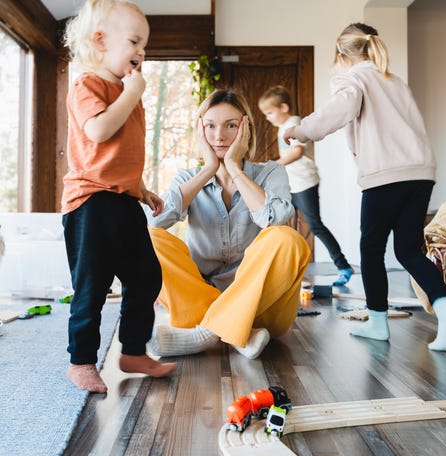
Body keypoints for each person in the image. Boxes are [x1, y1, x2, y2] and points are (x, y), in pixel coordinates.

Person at [284, 22, 446, 351]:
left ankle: (378, 323)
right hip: (420, 173)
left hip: (386, 175)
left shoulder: (354, 78)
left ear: (341, 54)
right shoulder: (394, 82)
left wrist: (301, 130)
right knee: (408, 250)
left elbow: (338, 111)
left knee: (371, 249)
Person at [61, 0, 177, 393]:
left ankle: (132, 351)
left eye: (144, 45)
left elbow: (119, 154)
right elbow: (98, 132)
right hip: (90, 203)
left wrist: (140, 188)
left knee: (146, 276)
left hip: (123, 200)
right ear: (100, 41)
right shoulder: (88, 84)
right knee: (92, 287)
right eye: (134, 42)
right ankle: (81, 361)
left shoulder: (128, 91)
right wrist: (131, 94)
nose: (141, 52)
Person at [145, 89, 310, 359]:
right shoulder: (188, 177)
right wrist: (208, 170)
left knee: (288, 239)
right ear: (200, 130)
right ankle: (239, 333)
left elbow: (275, 220)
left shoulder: (271, 172)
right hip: (198, 302)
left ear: (246, 130)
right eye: (210, 126)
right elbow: (156, 221)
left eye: (231, 126)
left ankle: (207, 333)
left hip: (262, 308)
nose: (219, 136)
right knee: (149, 239)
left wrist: (234, 168)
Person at [259, 86, 353, 286]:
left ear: (283, 107)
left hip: (304, 183)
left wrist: (270, 167)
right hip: (291, 184)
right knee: (279, 223)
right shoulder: (282, 127)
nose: (268, 117)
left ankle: (343, 265)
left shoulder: (294, 123)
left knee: (315, 225)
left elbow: (297, 152)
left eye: (270, 112)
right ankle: (282, 269)